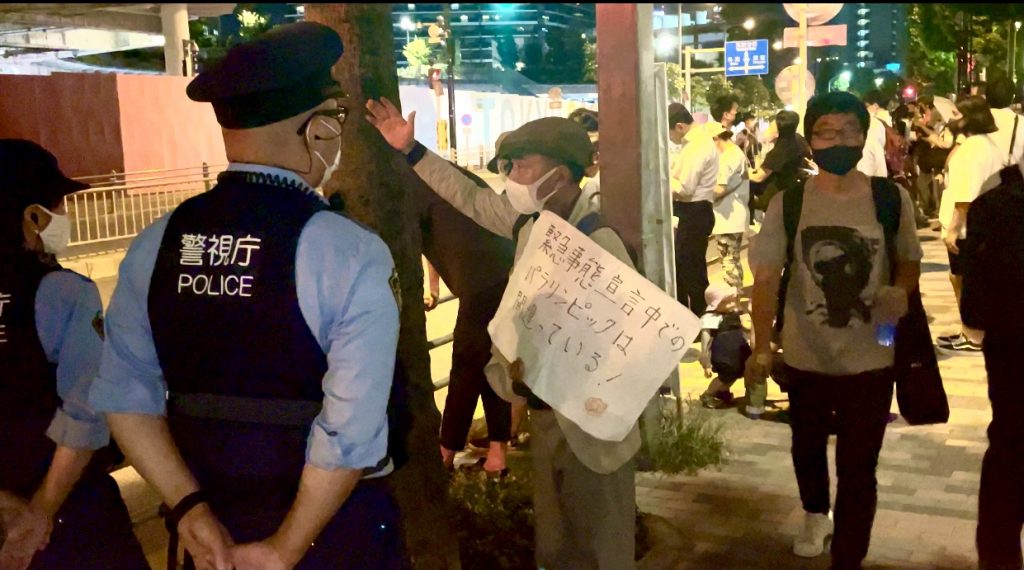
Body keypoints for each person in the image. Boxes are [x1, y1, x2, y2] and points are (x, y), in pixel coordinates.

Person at [87, 23, 404, 570]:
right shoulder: (349, 252)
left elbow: (123, 395)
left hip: (213, 532)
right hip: (334, 531)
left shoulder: (157, 242)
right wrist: (285, 548)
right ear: (318, 129)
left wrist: (189, 511)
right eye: (336, 118)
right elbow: (350, 432)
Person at [365, 102, 640, 569]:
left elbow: (628, 342)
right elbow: (468, 199)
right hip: (548, 417)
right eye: (509, 166)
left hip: (594, 430)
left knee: (601, 547)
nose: (512, 176)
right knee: (555, 547)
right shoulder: (530, 226)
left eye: (523, 165)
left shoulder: (600, 241)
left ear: (562, 172)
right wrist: (411, 150)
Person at [746, 91, 923, 569]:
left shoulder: (890, 198)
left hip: (873, 355)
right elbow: (765, 277)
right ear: (811, 139)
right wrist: (762, 346)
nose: (838, 140)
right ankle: (814, 510)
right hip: (806, 354)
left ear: (864, 137)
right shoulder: (790, 203)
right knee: (806, 445)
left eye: (848, 131)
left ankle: (849, 554)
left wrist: (900, 291)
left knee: (860, 465)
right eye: (827, 131)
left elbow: (908, 260)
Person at [0, 140, 149, 570]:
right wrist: (40, 511)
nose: (64, 216)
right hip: (73, 518)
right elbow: (86, 411)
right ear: (33, 216)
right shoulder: (63, 292)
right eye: (59, 204)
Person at [415, 160, 515, 476]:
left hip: (481, 280)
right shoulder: (439, 176)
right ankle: (498, 453)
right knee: (489, 361)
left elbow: (414, 241)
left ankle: (446, 449)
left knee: (465, 363)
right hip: (504, 270)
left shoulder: (404, 184)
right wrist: (432, 287)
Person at [959, 143, 1024, 570]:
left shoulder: (994, 202)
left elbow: (975, 306)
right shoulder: (996, 202)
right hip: (1011, 345)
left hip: (1010, 348)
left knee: (1009, 448)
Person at [937, 95, 1005, 354]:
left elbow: (964, 196)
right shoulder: (987, 144)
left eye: (956, 115)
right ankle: (974, 331)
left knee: (964, 280)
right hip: (985, 224)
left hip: (967, 228)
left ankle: (972, 334)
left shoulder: (971, 150)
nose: (952, 120)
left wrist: (952, 230)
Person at [668, 102, 719, 314]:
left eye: (668, 132)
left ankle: (697, 319)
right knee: (690, 269)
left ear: (679, 126)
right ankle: (697, 318)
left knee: (689, 272)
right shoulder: (697, 143)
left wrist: (662, 177)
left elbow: (685, 188)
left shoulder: (696, 145)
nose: (669, 137)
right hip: (695, 212)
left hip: (693, 212)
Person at [708, 124, 750, 294]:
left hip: (728, 218)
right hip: (733, 216)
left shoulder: (729, 157)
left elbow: (720, 189)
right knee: (731, 259)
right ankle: (735, 298)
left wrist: (701, 192)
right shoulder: (736, 154)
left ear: (716, 139)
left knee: (729, 262)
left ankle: (733, 301)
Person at [698, 282, 752, 410]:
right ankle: (709, 394)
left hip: (737, 351)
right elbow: (705, 340)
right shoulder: (711, 318)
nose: (733, 305)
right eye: (728, 302)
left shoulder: (733, 314)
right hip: (723, 354)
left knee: (736, 372)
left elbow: (743, 329)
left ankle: (722, 392)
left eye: (733, 301)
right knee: (725, 375)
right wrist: (706, 362)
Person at [749, 110, 812, 212]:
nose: (768, 129)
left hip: (775, 199)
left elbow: (758, 177)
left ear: (779, 130)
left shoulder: (779, 151)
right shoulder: (798, 139)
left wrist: (742, 172)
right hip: (791, 193)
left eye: (771, 126)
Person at [985, 77, 1024, 172]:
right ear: (1012, 97)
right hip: (1011, 182)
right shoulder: (1021, 123)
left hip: (980, 181)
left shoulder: (976, 121)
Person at [856, 91, 890, 179]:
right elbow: (881, 147)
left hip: (862, 169)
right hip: (874, 169)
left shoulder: (858, 122)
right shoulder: (878, 123)